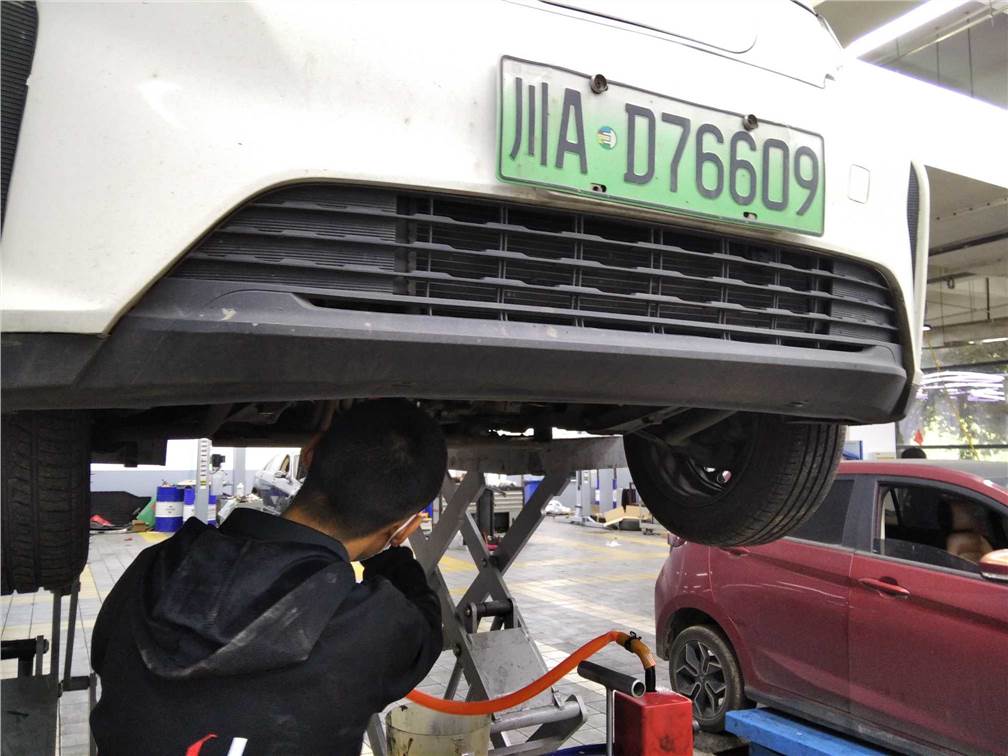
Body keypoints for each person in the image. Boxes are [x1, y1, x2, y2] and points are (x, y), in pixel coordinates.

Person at [90, 399, 447, 755]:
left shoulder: (156, 566)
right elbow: (427, 627)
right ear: (401, 527)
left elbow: (104, 655)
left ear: (309, 453)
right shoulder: (373, 626)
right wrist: (394, 556)